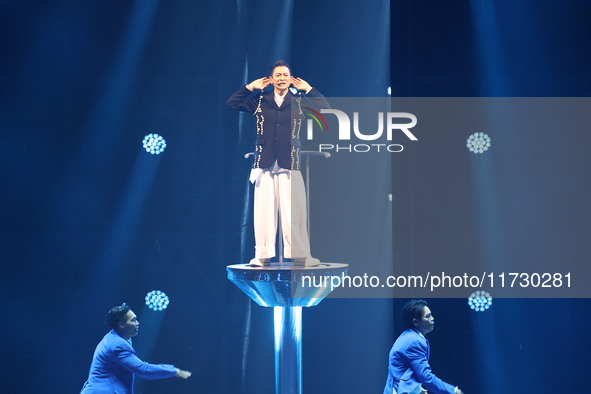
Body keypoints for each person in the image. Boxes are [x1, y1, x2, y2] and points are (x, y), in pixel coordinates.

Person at [226, 60, 328, 267]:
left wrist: (307, 88)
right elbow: (232, 103)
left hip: (289, 160)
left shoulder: (299, 101)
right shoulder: (260, 100)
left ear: (291, 79)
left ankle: (300, 255)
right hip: (264, 161)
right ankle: (262, 255)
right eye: (278, 75)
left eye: (285, 75)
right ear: (271, 79)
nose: (282, 79)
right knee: (264, 213)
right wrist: (250, 87)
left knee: (294, 212)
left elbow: (324, 107)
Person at [80, 303, 191, 393]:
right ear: (121, 324)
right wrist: (173, 371)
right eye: (133, 320)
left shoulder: (115, 337)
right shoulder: (117, 345)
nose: (137, 323)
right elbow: (143, 370)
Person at [383, 300, 464, 394]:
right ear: (416, 322)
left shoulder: (408, 337)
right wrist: (452, 391)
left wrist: (415, 389)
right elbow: (426, 377)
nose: (432, 318)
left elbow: (400, 372)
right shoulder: (414, 341)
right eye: (428, 316)